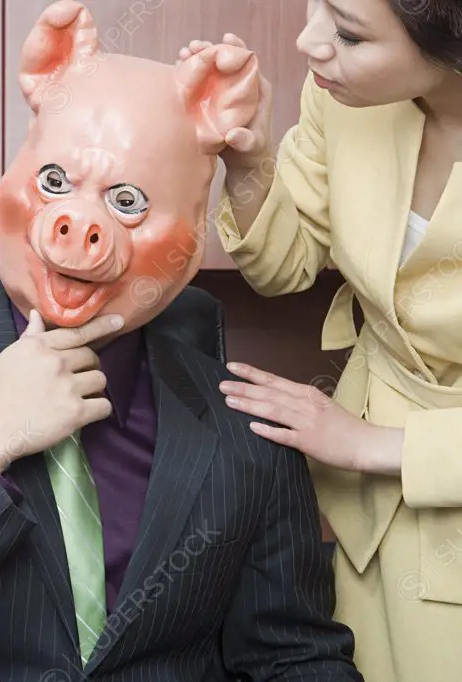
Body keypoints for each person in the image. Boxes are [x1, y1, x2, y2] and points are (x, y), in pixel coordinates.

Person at [0, 2, 361, 680]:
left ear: (192, 230)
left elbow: (293, 659)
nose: (78, 225)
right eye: (55, 184)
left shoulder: (248, 438)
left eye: (128, 201)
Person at [178, 1, 462, 680]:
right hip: (356, 510)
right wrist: (248, 163)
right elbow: (283, 266)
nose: (308, 43)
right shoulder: (344, 97)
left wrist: (374, 445)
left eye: (349, 33)